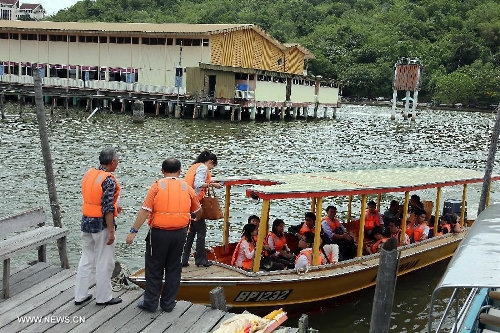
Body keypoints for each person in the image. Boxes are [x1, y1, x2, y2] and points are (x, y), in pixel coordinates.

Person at [126, 158, 201, 312]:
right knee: (174, 268)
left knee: (154, 268)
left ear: (162, 171)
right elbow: (198, 210)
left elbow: (145, 210)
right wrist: (195, 218)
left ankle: (151, 303)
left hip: (159, 233)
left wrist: (133, 232)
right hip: (180, 234)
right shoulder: (187, 187)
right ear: (180, 172)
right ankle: (168, 303)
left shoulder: (157, 186)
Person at [74, 147, 123, 306]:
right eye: (117, 160)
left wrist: (115, 208)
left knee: (86, 258)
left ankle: (80, 295)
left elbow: (95, 201)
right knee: (105, 261)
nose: (118, 163)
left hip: (86, 222)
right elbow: (107, 208)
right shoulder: (108, 180)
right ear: (112, 162)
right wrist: (111, 231)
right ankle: (104, 297)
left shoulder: (89, 174)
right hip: (101, 225)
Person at [182, 150, 223, 268]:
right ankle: (200, 260)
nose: (210, 169)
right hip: (195, 204)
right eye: (212, 167)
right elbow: (198, 184)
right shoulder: (203, 168)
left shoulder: (194, 166)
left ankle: (184, 259)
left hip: (188, 201)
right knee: (201, 232)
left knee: (192, 232)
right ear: (211, 162)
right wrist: (213, 185)